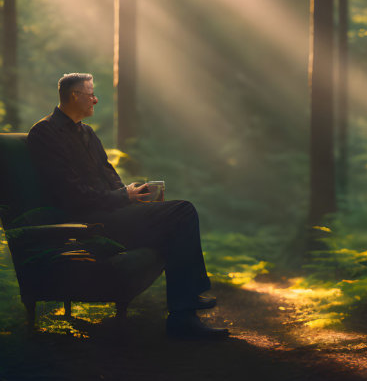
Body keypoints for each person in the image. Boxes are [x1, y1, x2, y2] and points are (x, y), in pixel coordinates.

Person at [26, 73, 228, 340]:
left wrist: (131, 193)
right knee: (182, 211)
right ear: (74, 96)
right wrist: (123, 197)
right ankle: (185, 307)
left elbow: (109, 174)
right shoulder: (45, 133)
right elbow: (70, 194)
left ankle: (184, 312)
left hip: (110, 212)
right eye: (91, 95)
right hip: (88, 223)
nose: (96, 100)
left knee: (175, 217)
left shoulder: (86, 132)